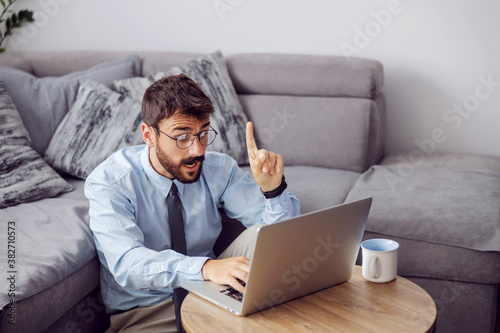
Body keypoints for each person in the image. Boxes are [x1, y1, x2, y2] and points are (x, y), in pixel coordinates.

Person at [84, 74, 300, 333]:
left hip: (212, 293)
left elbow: (282, 239)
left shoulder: (219, 169)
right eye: (182, 137)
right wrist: (206, 267)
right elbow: (127, 264)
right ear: (148, 134)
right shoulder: (110, 182)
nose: (197, 150)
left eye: (203, 133)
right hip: (147, 312)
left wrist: (273, 190)